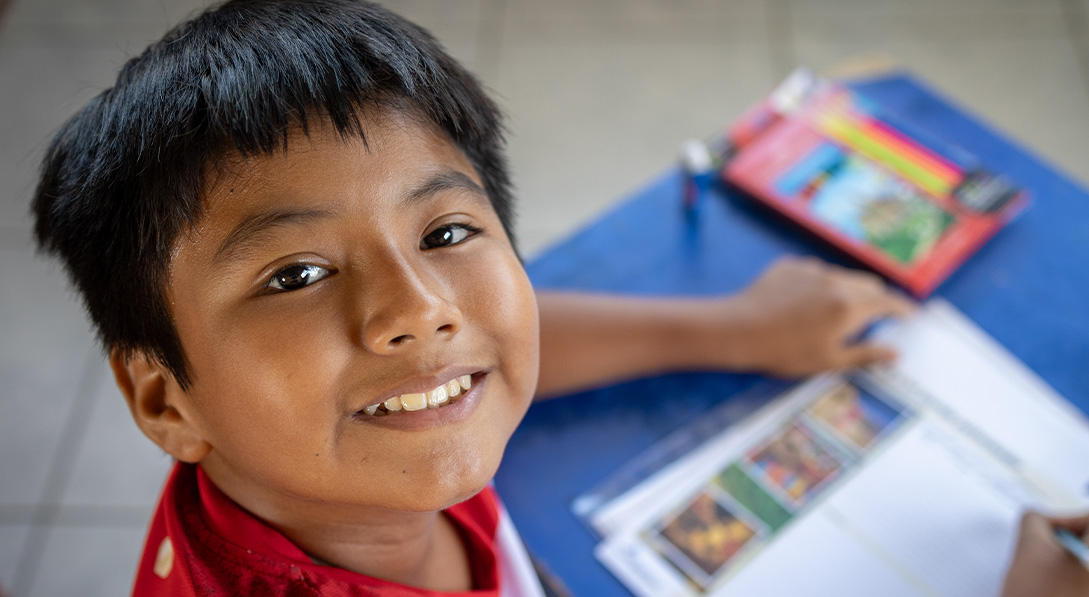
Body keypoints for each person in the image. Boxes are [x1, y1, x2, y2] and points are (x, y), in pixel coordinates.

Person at [29, 0, 1086, 594]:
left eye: (446, 231)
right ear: (166, 400)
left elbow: (487, 331)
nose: (419, 309)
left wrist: (739, 330)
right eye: (295, 276)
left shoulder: (347, 458)